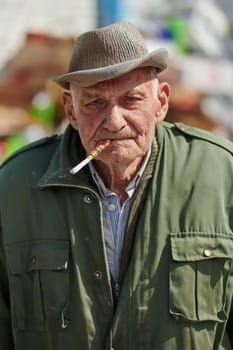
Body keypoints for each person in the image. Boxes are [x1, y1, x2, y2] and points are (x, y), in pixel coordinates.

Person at [0, 21, 232, 350]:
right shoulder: (16, 187)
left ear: (161, 103)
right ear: (71, 110)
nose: (113, 121)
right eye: (94, 103)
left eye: (131, 99)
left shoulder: (220, 174)